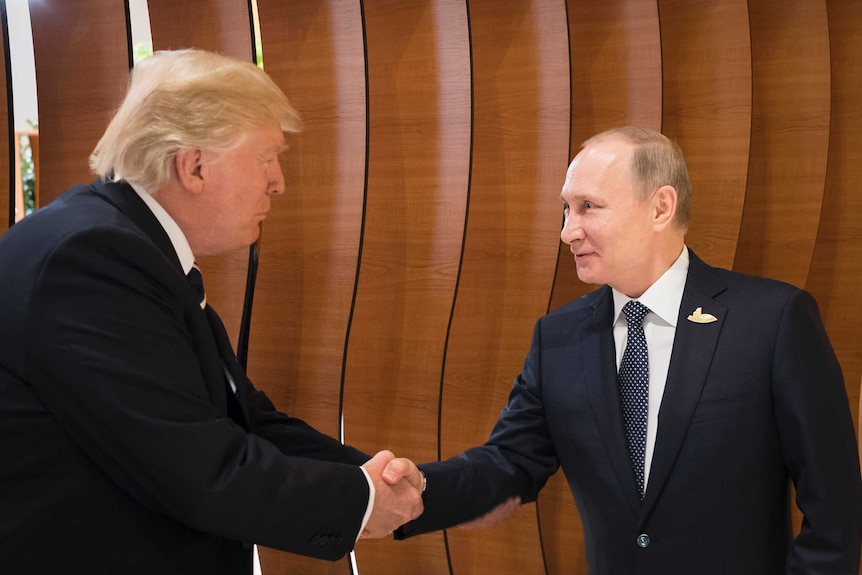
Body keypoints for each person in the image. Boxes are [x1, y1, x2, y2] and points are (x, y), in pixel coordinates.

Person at [0, 49, 423, 574]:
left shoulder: (120, 243)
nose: (279, 182)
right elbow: (194, 467)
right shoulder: (90, 259)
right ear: (193, 165)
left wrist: (375, 477)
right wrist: (360, 501)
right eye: (267, 156)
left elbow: (242, 416)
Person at [391, 126, 862, 573]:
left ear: (660, 207)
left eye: (588, 207)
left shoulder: (773, 320)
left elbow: (834, 505)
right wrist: (424, 489)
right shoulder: (557, 339)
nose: (567, 231)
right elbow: (510, 463)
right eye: (565, 210)